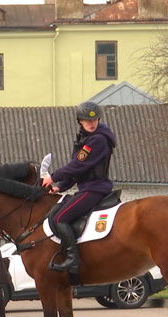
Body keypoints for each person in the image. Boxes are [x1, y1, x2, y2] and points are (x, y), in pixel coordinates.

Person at [41, 101, 116, 273]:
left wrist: (53, 177)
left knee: (61, 218)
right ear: (80, 121)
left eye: (95, 120)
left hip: (95, 188)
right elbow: (79, 172)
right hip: (88, 186)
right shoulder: (85, 139)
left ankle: (72, 259)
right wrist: (60, 186)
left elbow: (77, 165)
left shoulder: (97, 140)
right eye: (87, 120)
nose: (91, 123)